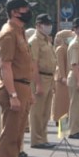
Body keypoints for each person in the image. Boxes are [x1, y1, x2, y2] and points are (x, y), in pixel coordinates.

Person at [0, 0, 36, 157]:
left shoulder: (19, 32)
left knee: (17, 139)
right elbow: (5, 66)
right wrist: (12, 94)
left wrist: (28, 92)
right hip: (14, 88)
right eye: (24, 8)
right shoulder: (9, 34)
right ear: (13, 12)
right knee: (9, 138)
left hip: (22, 87)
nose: (28, 11)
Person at [28, 14, 57, 149]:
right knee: (37, 111)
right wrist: (38, 84)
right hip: (39, 77)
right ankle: (36, 139)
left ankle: (43, 137)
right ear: (38, 25)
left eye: (49, 24)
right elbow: (33, 64)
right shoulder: (34, 41)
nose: (49, 27)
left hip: (49, 78)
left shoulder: (47, 40)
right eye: (46, 24)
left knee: (45, 111)